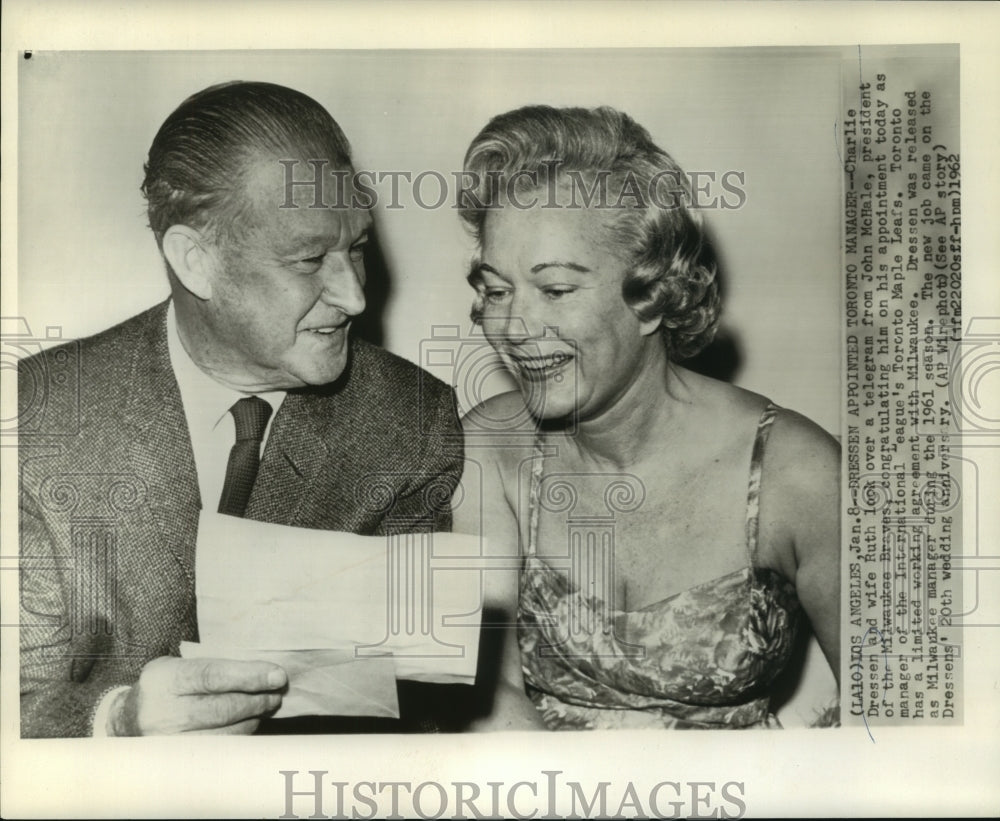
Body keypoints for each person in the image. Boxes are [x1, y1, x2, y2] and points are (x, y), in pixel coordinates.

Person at [18, 81, 463, 738]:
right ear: (196, 262)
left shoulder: (412, 421)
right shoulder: (35, 418)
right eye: (311, 258)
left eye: (358, 247)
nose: (354, 296)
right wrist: (120, 724)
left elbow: (415, 712)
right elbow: (18, 699)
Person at [454, 105, 840, 730]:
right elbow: (488, 702)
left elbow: (897, 714)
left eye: (554, 290)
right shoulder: (486, 451)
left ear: (654, 294)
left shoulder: (799, 473)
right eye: (497, 291)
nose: (512, 328)